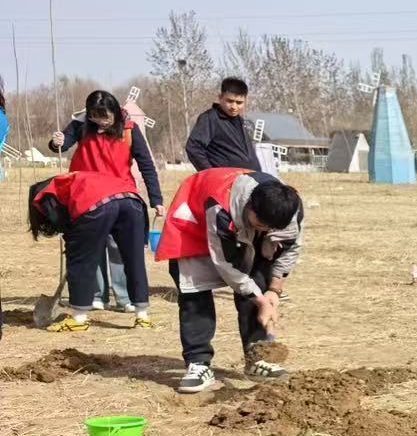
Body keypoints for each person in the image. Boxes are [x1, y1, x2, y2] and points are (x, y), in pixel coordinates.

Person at [154, 167, 303, 394]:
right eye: (261, 224)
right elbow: (224, 264)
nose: (264, 230)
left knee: (259, 281)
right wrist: (260, 300)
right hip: (194, 222)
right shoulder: (220, 209)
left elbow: (291, 248)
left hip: (240, 228)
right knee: (194, 290)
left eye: (271, 228)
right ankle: (198, 363)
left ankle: (258, 356)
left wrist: (273, 290)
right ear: (250, 208)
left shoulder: (288, 209)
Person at [49, 89, 165, 311]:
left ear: (115, 113)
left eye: (105, 117)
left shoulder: (130, 131)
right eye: (94, 116)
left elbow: (146, 165)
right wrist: (57, 142)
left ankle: (124, 298)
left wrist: (156, 199)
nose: (99, 121)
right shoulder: (81, 127)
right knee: (92, 247)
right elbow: (61, 146)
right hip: (87, 198)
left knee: (120, 248)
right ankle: (96, 296)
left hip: (120, 195)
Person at [27, 170, 155, 332]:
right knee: (133, 260)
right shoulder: (74, 179)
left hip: (97, 204)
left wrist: (75, 249)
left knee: (80, 262)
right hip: (132, 201)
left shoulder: (45, 194)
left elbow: (66, 227)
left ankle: (78, 319)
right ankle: (142, 317)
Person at [185, 78, 263, 172]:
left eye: (239, 103)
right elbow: (194, 148)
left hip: (250, 180)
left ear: (245, 101)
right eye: (230, 101)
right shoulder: (210, 118)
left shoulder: (240, 122)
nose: (234, 107)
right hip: (226, 181)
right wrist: (211, 173)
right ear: (220, 97)